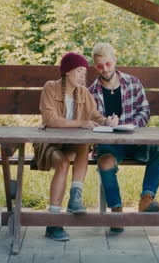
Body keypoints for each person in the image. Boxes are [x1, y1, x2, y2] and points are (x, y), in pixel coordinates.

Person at [33, 52, 119, 241]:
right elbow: (51, 119)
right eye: (79, 71)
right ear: (67, 72)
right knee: (63, 163)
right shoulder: (50, 88)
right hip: (50, 144)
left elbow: (95, 116)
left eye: (84, 72)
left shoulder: (83, 92)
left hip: (72, 145)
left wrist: (108, 121)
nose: (82, 76)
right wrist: (81, 123)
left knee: (83, 144)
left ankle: (75, 196)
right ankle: (53, 222)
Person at [88, 43, 159, 232]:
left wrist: (133, 125)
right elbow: (90, 118)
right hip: (109, 144)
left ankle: (147, 198)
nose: (105, 69)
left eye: (107, 63)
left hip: (134, 138)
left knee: (158, 147)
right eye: (99, 66)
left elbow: (145, 110)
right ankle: (116, 210)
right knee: (104, 162)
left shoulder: (133, 83)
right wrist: (106, 123)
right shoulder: (91, 92)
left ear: (114, 60)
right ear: (94, 66)